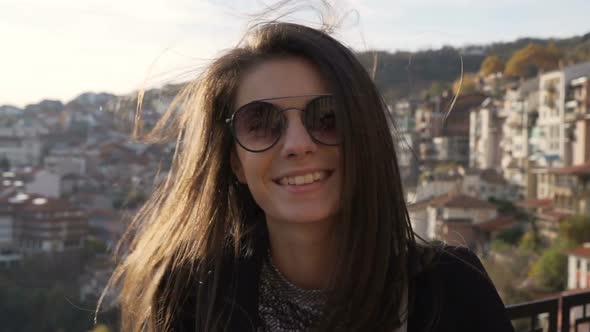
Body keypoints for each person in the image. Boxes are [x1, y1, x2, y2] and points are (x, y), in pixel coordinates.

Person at [97, 21, 516, 332]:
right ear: (235, 162)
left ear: (365, 138)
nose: (297, 143)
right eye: (260, 123)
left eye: (328, 118)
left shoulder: (454, 289)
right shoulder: (191, 299)